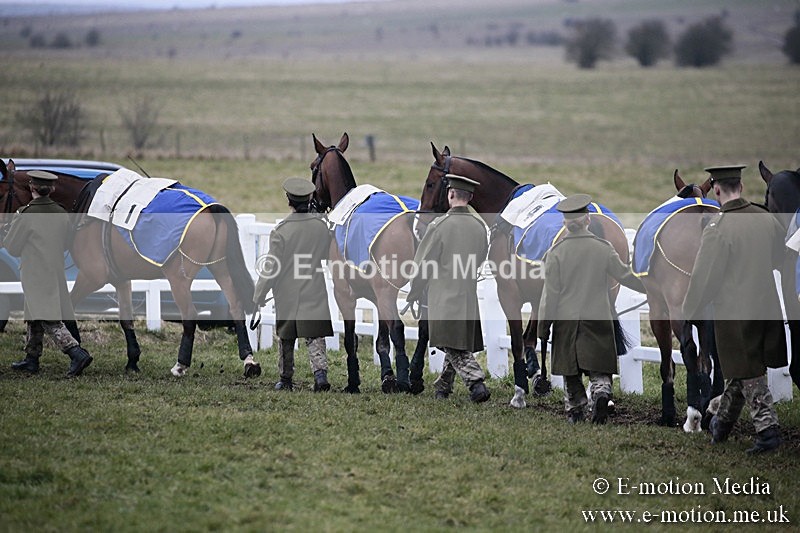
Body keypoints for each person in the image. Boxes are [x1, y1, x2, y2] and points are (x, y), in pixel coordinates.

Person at [683, 165, 787, 454]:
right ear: (740, 186)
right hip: (766, 306)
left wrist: (689, 312)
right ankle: (721, 425)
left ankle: (767, 431)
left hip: (735, 315)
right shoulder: (766, 218)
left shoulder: (718, 228)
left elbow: (704, 278)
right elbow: (781, 258)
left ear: (716, 189)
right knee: (740, 372)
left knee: (748, 371)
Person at [537, 194, 646, 424]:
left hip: (567, 324)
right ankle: (601, 393)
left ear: (565, 223)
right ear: (588, 220)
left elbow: (550, 297)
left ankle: (576, 410)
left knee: (571, 372)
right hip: (598, 319)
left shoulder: (555, 254)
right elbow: (626, 276)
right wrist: (651, 289)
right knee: (599, 369)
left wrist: (543, 328)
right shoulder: (603, 248)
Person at [406, 174, 490, 402]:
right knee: (456, 339)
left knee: (451, 344)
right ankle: (443, 386)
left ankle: (476, 383)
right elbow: (481, 258)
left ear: (450, 194)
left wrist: (413, 292)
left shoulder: (438, 226)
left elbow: (423, 266)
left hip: (443, 298)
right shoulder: (480, 228)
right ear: (470, 197)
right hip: (468, 296)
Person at [2, 170, 93, 376]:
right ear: (51, 189)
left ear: (32, 188)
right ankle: (31, 358)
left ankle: (77, 353)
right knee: (34, 316)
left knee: (48, 318)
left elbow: (13, 247)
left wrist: (11, 229)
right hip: (55, 270)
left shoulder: (26, 214)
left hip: (35, 273)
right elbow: (65, 241)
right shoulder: (61, 212)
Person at [253, 177, 333, 392]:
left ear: (288, 200)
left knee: (286, 336)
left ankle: (286, 379)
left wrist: (259, 296)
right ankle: (320, 376)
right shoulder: (321, 227)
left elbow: (271, 268)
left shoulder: (281, 231)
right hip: (314, 287)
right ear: (309, 199)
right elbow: (328, 254)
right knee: (315, 335)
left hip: (287, 292)